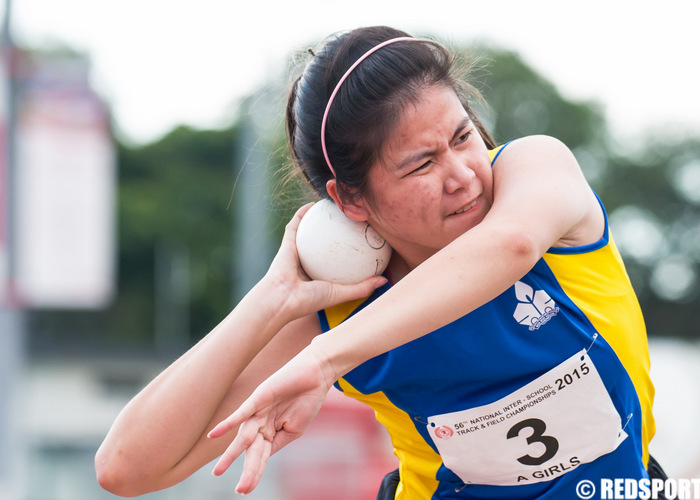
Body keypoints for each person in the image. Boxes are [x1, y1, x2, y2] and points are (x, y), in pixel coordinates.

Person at [96, 26, 665, 499]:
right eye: (420, 165)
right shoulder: (339, 310)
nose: (463, 174)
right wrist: (270, 302)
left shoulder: (536, 172)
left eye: (462, 136)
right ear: (350, 201)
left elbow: (511, 245)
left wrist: (324, 361)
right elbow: (126, 467)